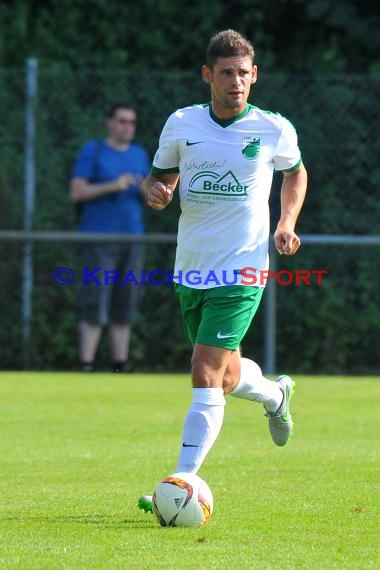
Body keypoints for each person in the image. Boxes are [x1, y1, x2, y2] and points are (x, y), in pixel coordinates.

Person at [138, 30, 307, 512]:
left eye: (245, 73)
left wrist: (286, 222)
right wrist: (157, 192)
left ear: (255, 76)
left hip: (244, 268)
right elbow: (162, 177)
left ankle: (180, 484)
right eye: (228, 73)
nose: (237, 82)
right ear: (208, 75)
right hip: (191, 268)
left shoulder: (273, 128)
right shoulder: (182, 123)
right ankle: (275, 394)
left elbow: (295, 171)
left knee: (204, 370)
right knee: (227, 377)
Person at [70, 103, 150, 373]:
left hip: (133, 240)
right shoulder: (93, 151)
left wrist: (145, 190)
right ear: (109, 123)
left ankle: (120, 366)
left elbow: (152, 197)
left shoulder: (140, 154)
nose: (127, 127)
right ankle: (87, 365)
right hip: (98, 239)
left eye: (132, 122)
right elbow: (77, 192)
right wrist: (112, 185)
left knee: (126, 302)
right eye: (122, 121)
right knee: (95, 298)